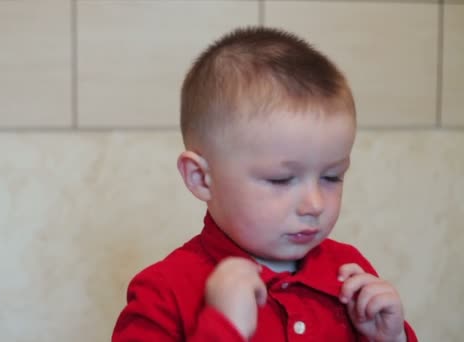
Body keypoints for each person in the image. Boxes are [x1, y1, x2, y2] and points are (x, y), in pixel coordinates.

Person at [112, 26, 417, 341]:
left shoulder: (350, 272)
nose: (314, 204)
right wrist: (223, 327)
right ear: (202, 178)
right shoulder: (164, 291)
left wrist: (391, 338)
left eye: (331, 177)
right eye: (281, 179)